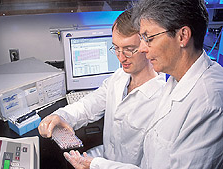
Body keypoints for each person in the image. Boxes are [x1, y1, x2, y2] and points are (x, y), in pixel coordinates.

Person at [38, 9, 166, 169]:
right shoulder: (120, 77)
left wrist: (96, 166)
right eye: (116, 48)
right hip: (104, 156)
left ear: (147, 44)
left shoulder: (162, 99)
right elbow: (87, 105)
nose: (120, 57)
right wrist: (61, 116)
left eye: (128, 49)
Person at [130, 0, 223, 168]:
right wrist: (97, 164)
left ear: (182, 36)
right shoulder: (175, 80)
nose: (142, 49)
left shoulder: (208, 102)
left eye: (148, 38)